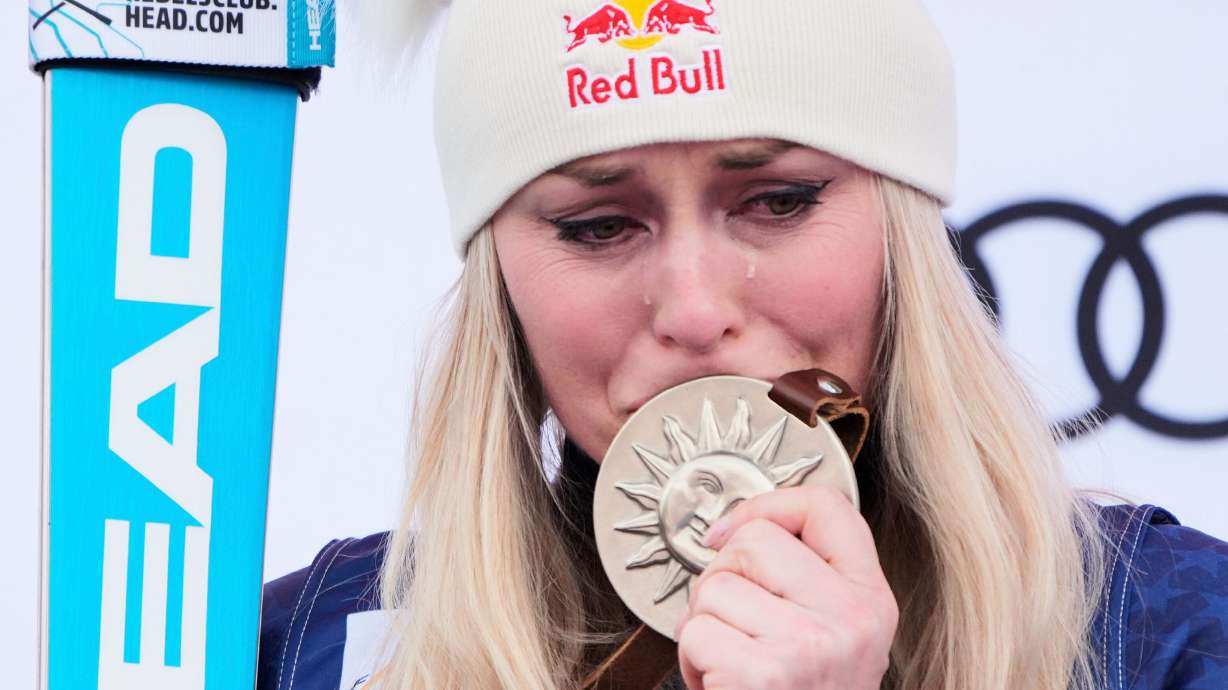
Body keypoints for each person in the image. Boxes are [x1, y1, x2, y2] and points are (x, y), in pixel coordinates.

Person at [257, 1, 1228, 689]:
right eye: (598, 224)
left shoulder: (1163, 635)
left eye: (778, 201)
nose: (693, 305)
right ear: (497, 277)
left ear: (902, 234)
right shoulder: (301, 648)